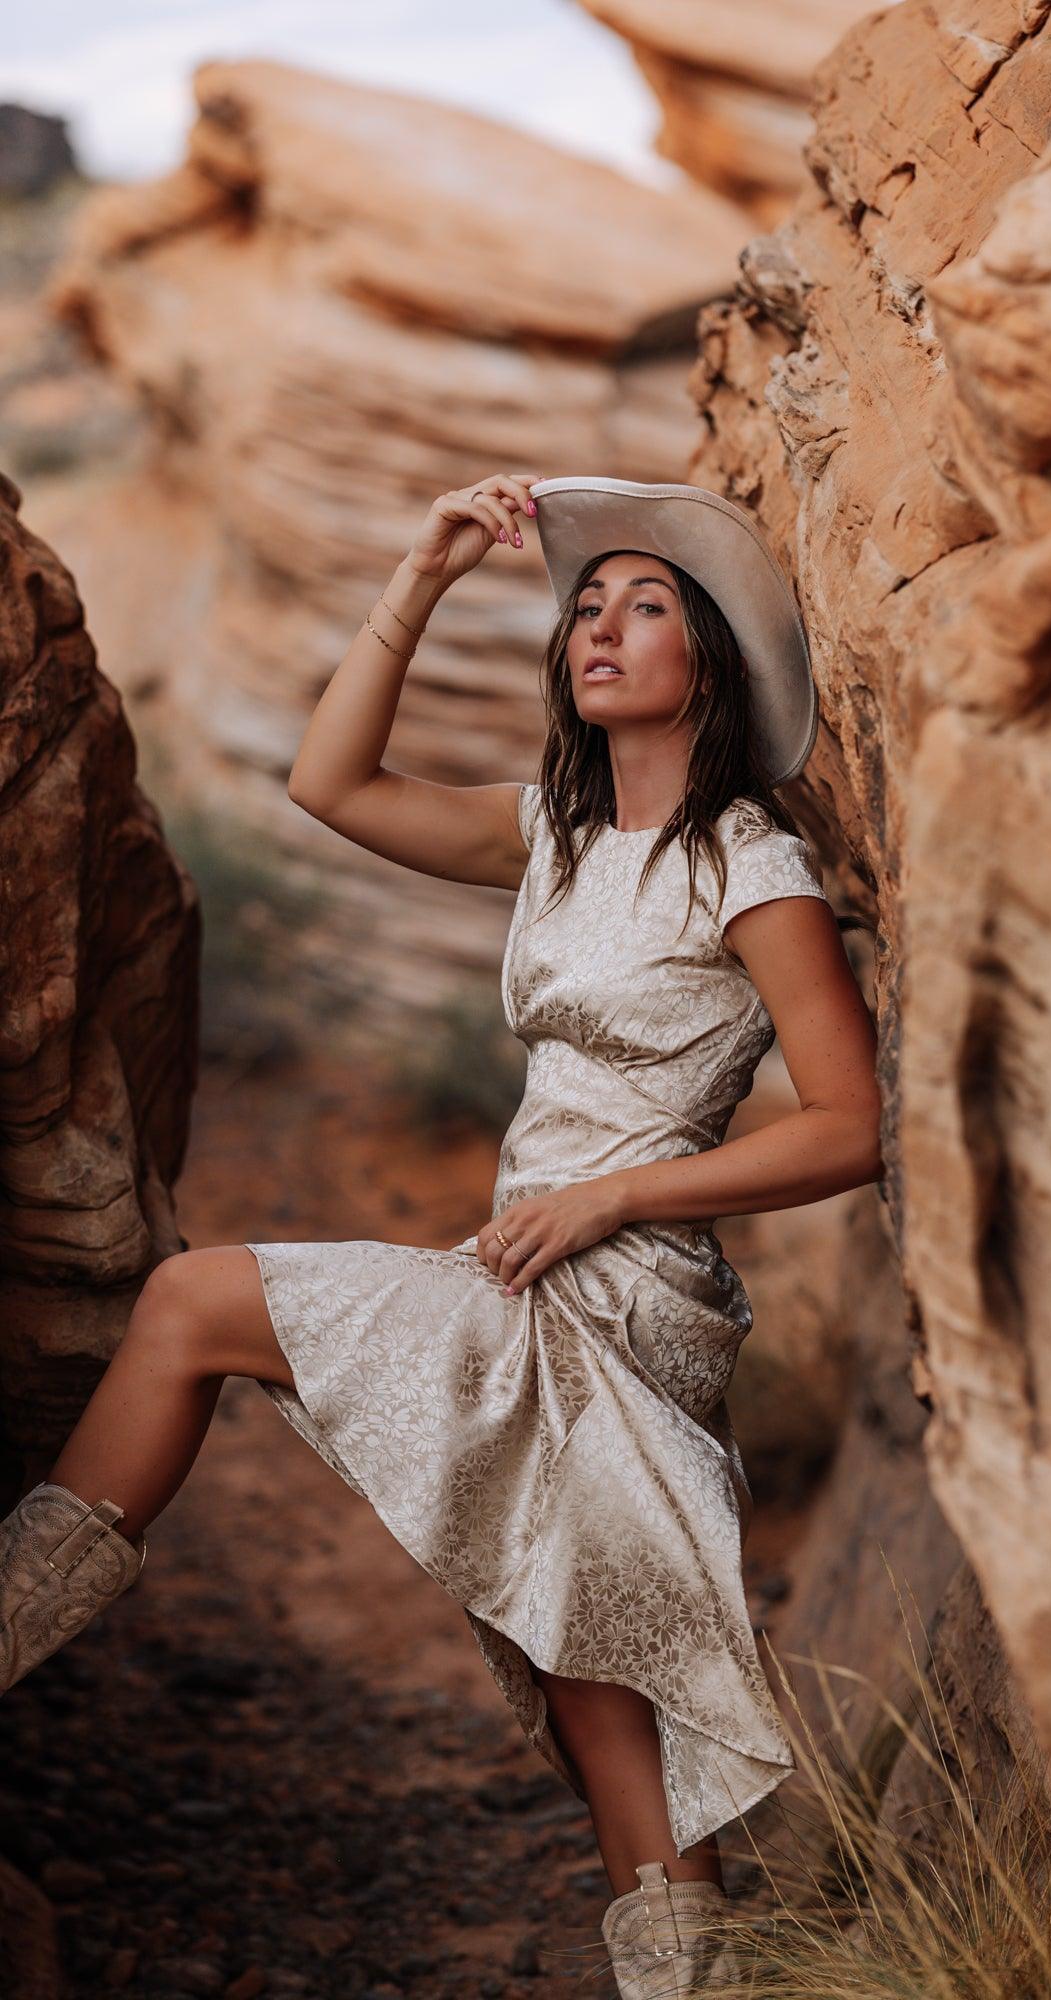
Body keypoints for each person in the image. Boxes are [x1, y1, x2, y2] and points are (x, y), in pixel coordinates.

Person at [0, 469, 883, 1995]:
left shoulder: (750, 861)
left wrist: (611, 1193)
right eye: (584, 608)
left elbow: (848, 1123)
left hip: (626, 1291)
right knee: (587, 1663)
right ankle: (709, 1970)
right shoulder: (551, 832)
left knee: (196, 1300)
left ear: (712, 661)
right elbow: (329, 786)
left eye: (645, 605)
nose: (600, 628)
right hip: (520, 1265)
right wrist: (419, 571)